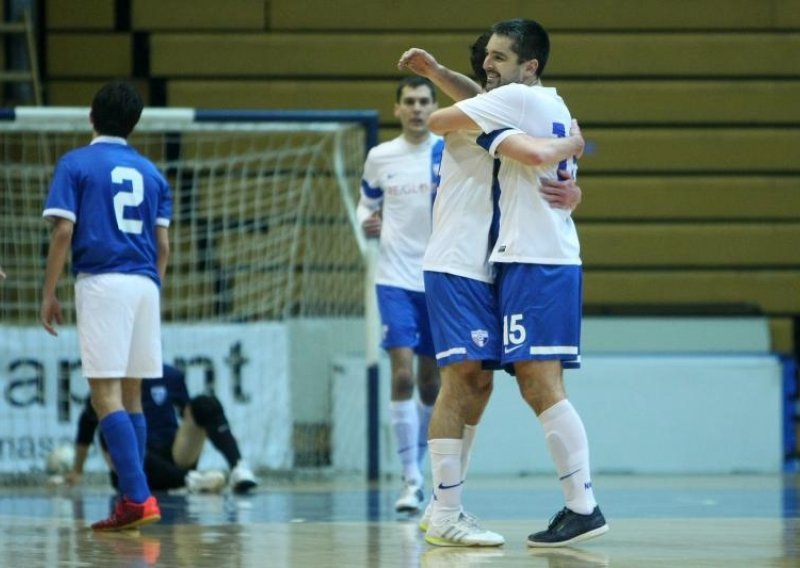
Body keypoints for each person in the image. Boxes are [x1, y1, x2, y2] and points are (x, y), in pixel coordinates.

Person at [401, 19, 607, 548]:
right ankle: (445, 508)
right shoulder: (537, 110)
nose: (488, 66)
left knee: (493, 383)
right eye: (485, 57)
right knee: (468, 381)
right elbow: (506, 130)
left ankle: (571, 506)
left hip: (510, 264)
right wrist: (577, 146)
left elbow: (516, 136)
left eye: (499, 56)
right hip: (461, 263)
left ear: (527, 67)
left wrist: (573, 154)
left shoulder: (517, 107)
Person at [40, 80, 171, 531]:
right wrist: (150, 289)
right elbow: (164, 246)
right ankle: (133, 498)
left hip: (103, 282)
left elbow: (62, 233)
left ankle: (136, 497)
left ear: (92, 114)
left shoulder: (75, 163)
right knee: (131, 397)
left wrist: (48, 292)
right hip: (145, 284)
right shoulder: (153, 172)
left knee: (104, 397)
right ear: (133, 123)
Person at [356, 76, 443, 513]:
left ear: (434, 106)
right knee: (403, 376)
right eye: (409, 101)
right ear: (397, 108)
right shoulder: (381, 156)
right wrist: (366, 221)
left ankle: (422, 467)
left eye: (424, 101)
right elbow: (365, 204)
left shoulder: (448, 152)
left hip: (440, 280)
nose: (416, 108)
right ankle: (409, 480)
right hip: (394, 279)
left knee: (431, 383)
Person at [67, 363, 258, 495]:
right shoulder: (112, 385)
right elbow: (87, 423)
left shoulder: (170, 375)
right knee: (110, 432)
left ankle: (238, 467)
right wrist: (77, 470)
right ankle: (190, 481)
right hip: (134, 463)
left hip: (174, 453)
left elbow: (191, 413)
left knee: (205, 404)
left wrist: (221, 432)